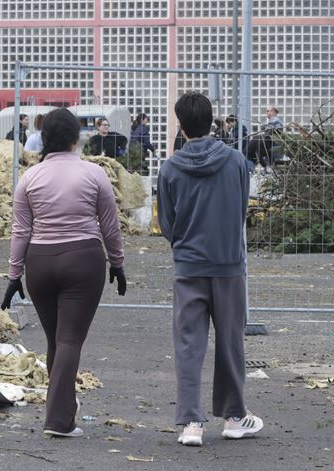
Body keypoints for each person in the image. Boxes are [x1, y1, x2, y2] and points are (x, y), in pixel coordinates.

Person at [1, 108, 126, 438]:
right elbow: (110, 227)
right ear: (76, 137)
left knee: (56, 339)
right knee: (70, 339)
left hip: (39, 263)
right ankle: (58, 421)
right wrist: (118, 262)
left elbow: (20, 231)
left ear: (44, 139)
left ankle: (63, 408)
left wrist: (14, 276)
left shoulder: (29, 178)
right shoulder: (94, 173)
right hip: (83, 260)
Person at [157, 92, 263, 448]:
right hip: (229, 264)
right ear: (212, 121)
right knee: (231, 341)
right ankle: (234, 416)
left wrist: (184, 243)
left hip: (188, 265)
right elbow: (241, 206)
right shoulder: (235, 160)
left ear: (181, 126)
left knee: (189, 344)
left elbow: (167, 222)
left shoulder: (170, 168)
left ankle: (191, 423)